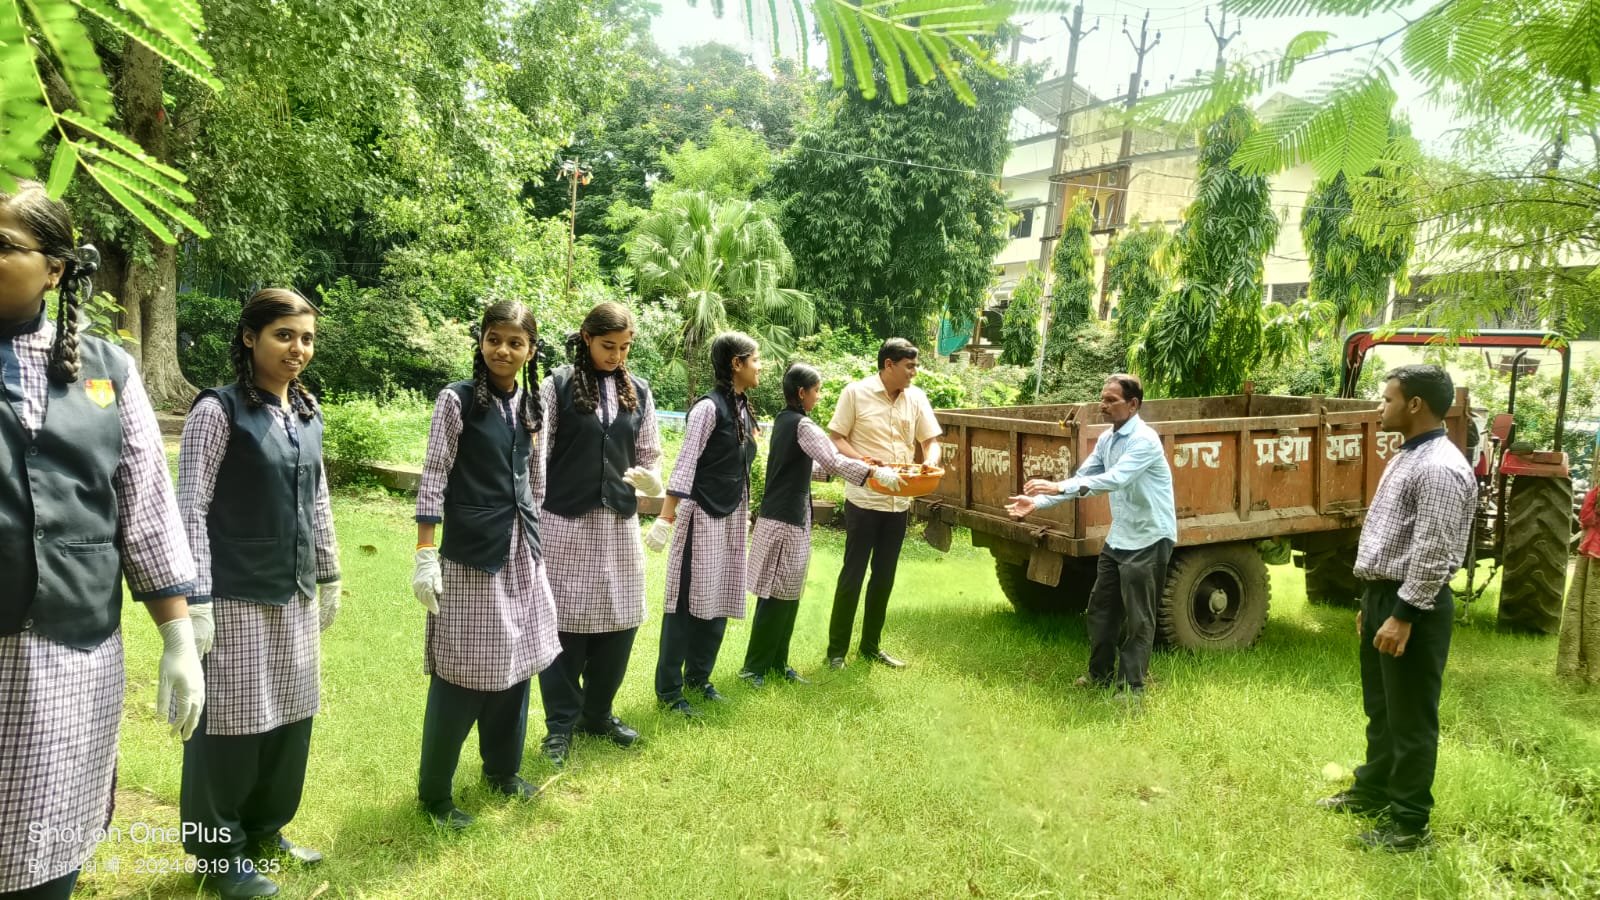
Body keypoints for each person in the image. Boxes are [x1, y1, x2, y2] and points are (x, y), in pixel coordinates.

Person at [0, 181, 205, 900]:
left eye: (3, 246)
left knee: (47, 827)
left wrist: (178, 637)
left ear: (55, 269)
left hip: (71, 648)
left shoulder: (109, 371)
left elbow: (145, 506)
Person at [177, 288, 343, 897]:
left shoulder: (307, 411)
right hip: (235, 595)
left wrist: (330, 573)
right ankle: (219, 856)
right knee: (229, 723)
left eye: (306, 338)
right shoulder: (217, 413)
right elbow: (189, 507)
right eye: (283, 336)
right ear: (250, 338)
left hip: (294, 592)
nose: (297, 349)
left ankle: (266, 828)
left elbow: (318, 500)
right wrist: (193, 598)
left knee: (290, 718)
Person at [411, 301, 561, 829]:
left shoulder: (531, 400)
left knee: (516, 664)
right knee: (462, 673)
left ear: (531, 350)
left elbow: (534, 476)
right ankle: (434, 795)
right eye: (495, 338)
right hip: (473, 553)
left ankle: (502, 770)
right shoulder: (456, 400)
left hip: (523, 550)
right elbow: (433, 473)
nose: (504, 350)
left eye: (516, 342)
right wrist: (426, 552)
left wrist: (540, 538)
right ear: (481, 341)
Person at [1318, 365, 1475, 852]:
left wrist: (1403, 614)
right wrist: (1376, 603)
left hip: (1415, 605)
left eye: (1386, 399)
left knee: (1410, 719)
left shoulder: (1440, 467)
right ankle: (1373, 791)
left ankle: (1409, 824)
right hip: (1386, 596)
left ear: (1414, 405)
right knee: (1382, 709)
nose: (1378, 408)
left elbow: (1434, 549)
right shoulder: (1408, 456)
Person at [535, 301, 663, 766]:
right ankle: (560, 726)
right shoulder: (557, 386)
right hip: (565, 521)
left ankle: (598, 713)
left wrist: (653, 479)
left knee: (621, 618)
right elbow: (537, 453)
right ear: (587, 338)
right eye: (609, 346)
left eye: (625, 348)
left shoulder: (640, 392)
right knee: (564, 622)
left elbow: (650, 450)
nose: (617, 356)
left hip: (618, 523)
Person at [1006, 374, 1175, 700]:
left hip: (1150, 538)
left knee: (1139, 619)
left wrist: (1056, 486)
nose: (1102, 405)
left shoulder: (1145, 440)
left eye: (1111, 400)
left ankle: (1132, 688)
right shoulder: (1107, 440)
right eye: (1102, 398)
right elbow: (1084, 479)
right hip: (1120, 537)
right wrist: (1038, 502)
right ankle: (1100, 676)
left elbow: (1113, 479)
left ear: (1133, 404)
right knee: (1101, 610)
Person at [739, 363, 902, 686]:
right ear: (802, 393)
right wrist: (871, 474)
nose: (819, 396)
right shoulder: (804, 426)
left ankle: (776, 663)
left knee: (788, 592)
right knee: (775, 595)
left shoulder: (786, 422)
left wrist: (864, 466)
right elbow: (832, 459)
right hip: (785, 519)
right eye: (817, 390)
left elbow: (809, 466)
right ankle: (754, 668)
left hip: (784, 517)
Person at [646, 332, 761, 716]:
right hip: (701, 514)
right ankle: (669, 689)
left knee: (720, 595)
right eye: (756, 360)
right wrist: (666, 515)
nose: (760, 367)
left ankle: (699, 677)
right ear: (736, 363)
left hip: (731, 515)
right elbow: (686, 462)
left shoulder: (744, 407)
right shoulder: (707, 409)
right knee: (685, 600)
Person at [824, 338, 942, 669]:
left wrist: (929, 461)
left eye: (915, 366)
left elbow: (930, 441)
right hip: (864, 499)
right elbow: (836, 438)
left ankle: (870, 647)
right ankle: (836, 652)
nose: (914, 373)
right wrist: (867, 464)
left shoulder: (916, 398)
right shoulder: (855, 392)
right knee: (853, 574)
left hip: (898, 504)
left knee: (884, 577)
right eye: (909, 366)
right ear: (889, 365)